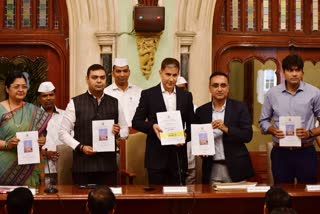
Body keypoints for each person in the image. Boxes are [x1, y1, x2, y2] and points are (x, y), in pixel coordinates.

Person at [59, 64, 128, 185]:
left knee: (108, 201)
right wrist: (80, 147)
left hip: (108, 166)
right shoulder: (75, 103)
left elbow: (125, 131)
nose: (99, 81)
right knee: (81, 202)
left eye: (102, 78)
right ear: (87, 79)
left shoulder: (114, 102)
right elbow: (62, 133)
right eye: (94, 77)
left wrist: (118, 133)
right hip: (83, 165)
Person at [132, 58, 195, 185]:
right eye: (168, 74)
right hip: (156, 157)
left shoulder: (186, 96)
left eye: (174, 75)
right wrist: (152, 126)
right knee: (156, 199)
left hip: (178, 156)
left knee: (178, 199)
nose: (171, 79)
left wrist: (186, 135)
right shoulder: (148, 94)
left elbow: (193, 124)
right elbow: (136, 122)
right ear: (160, 73)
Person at [259, 54, 320, 184]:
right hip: (281, 153)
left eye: (297, 70)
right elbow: (263, 121)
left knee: (308, 194)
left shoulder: (314, 93)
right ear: (284, 72)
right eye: (290, 70)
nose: (294, 74)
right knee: (282, 193)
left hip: (306, 151)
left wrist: (310, 132)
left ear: (302, 72)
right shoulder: (272, 94)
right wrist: (272, 130)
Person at [195, 72, 254, 184]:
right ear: (209, 88)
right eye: (215, 85)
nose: (219, 89)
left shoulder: (239, 107)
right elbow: (198, 139)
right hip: (212, 167)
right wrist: (200, 150)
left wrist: (226, 128)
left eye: (223, 85)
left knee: (238, 201)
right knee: (211, 201)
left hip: (237, 167)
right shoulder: (201, 111)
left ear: (228, 88)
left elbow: (247, 135)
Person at [0, 71, 51, 186]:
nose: (21, 90)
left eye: (24, 87)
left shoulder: (33, 110)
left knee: (28, 200)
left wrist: (42, 141)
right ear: (7, 89)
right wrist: (8, 144)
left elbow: (40, 136)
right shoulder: (0, 109)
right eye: (16, 86)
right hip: (4, 168)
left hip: (28, 167)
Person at [37, 81, 64, 185]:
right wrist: (44, 152)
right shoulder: (33, 117)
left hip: (62, 166)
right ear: (39, 98)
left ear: (55, 96)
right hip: (42, 167)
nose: (48, 98)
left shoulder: (65, 115)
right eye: (44, 96)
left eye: (51, 95)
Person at [104, 58, 142, 127]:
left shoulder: (139, 92)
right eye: (118, 71)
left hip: (137, 133)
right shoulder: (106, 93)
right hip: (116, 134)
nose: (122, 74)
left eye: (125, 71)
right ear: (113, 73)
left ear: (129, 72)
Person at [176, 76, 197, 184]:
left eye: (182, 88)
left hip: (190, 149)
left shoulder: (195, 108)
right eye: (177, 88)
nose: (179, 91)